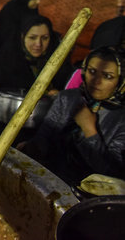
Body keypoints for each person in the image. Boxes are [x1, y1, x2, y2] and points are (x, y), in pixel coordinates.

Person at [19, 46, 125, 185]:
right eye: (91, 71)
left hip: (87, 194)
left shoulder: (121, 119)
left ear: (121, 80)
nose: (96, 81)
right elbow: (44, 136)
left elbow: (111, 174)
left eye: (107, 76)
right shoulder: (68, 98)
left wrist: (90, 131)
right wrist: (31, 147)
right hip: (48, 180)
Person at [0, 14, 73, 137]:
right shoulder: (7, 58)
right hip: (0, 130)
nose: (38, 44)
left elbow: (70, 97)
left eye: (44, 38)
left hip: (37, 135)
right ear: (22, 37)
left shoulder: (58, 63)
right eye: (32, 37)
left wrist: (59, 96)